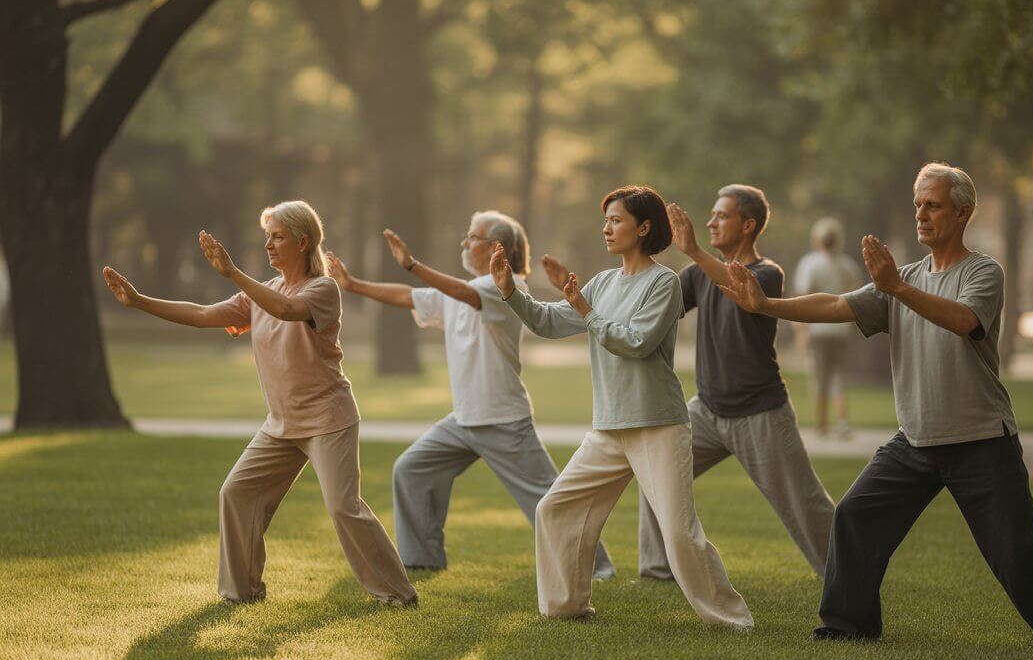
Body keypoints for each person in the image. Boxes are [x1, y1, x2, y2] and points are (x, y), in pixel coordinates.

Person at [721, 163, 1033, 648]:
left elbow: (964, 320)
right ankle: (847, 625)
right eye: (917, 205)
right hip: (916, 441)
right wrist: (766, 308)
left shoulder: (982, 271)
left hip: (980, 438)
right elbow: (836, 305)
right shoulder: (902, 277)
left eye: (933, 205)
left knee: (1018, 550)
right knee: (855, 514)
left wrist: (897, 288)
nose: (921, 214)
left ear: (962, 213)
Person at [102, 201, 417, 607]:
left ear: (303, 242)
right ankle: (241, 593)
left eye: (278, 237)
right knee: (236, 493)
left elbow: (287, 311)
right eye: (267, 237)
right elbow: (201, 315)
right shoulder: (261, 293)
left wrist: (233, 272)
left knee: (343, 507)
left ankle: (397, 594)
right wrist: (140, 301)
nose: (268, 245)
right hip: (281, 424)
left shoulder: (322, 290)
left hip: (328, 419)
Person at [491, 185, 753, 628]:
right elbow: (551, 323)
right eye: (606, 220)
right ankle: (566, 606)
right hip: (609, 428)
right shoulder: (603, 282)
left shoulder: (664, 283)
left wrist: (586, 310)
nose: (607, 228)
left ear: (644, 227)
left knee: (677, 533)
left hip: (658, 426)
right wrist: (512, 294)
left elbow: (637, 343)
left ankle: (731, 619)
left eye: (616, 220)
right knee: (554, 510)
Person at [542, 186, 835, 579]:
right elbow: (646, 306)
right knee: (655, 476)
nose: (711, 221)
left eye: (722, 215)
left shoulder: (767, 274)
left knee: (805, 503)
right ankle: (658, 570)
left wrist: (695, 251)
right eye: (711, 214)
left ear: (748, 225)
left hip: (760, 411)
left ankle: (844, 573)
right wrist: (584, 302)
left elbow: (741, 291)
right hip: (707, 410)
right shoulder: (694, 276)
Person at [326, 213, 614, 578]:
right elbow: (409, 296)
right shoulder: (459, 291)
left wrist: (412, 264)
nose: (464, 242)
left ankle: (599, 569)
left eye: (471, 237)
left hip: (504, 421)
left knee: (548, 500)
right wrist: (351, 284)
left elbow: (464, 293)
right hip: (464, 420)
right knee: (411, 471)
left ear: (495, 248)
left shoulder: (507, 288)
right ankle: (423, 559)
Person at [793, 217, 866, 437]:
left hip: (817, 329)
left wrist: (801, 330)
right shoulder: (847, 265)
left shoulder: (810, 263)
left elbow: (803, 297)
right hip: (842, 329)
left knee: (820, 377)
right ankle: (842, 422)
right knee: (840, 377)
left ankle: (822, 424)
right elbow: (857, 296)